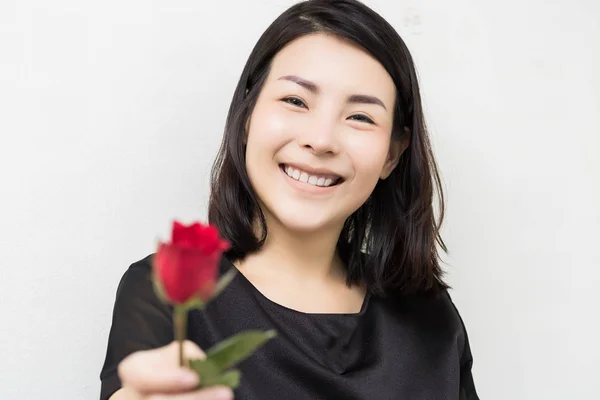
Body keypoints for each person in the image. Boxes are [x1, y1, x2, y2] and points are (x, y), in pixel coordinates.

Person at [99, 0, 480, 399]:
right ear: (247, 115)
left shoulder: (430, 314)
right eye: (295, 101)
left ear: (392, 153)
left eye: (361, 117)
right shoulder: (167, 291)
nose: (321, 140)